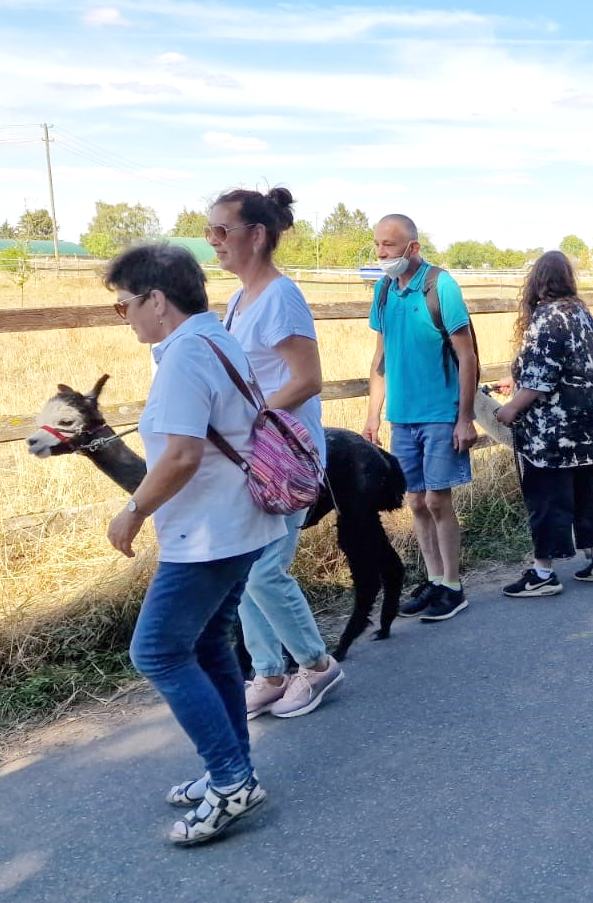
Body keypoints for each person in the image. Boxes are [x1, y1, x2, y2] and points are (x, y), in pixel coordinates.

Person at [104, 243, 283, 846]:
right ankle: (229, 770)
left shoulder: (184, 357)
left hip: (208, 532)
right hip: (235, 523)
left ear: (156, 299)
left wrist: (133, 510)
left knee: (156, 651)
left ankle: (232, 783)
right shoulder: (214, 338)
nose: (122, 315)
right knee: (209, 643)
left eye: (123, 303)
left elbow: (181, 455)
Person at [206, 187, 343, 720]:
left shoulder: (281, 297)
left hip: (285, 455)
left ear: (256, 235)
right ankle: (268, 672)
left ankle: (316, 664)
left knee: (264, 571)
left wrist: (247, 418)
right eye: (210, 231)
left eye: (223, 230)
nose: (213, 241)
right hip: (250, 452)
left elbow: (307, 380)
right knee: (243, 569)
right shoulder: (240, 298)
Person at [364, 214, 478, 622]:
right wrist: (373, 416)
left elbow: (466, 355)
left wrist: (465, 418)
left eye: (389, 245)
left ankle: (452, 585)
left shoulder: (440, 285)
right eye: (377, 244)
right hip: (402, 417)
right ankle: (433, 580)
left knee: (437, 499)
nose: (381, 253)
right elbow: (380, 359)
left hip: (440, 415)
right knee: (414, 500)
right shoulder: (382, 290)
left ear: (412, 247)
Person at [493, 250, 593, 597]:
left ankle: (543, 572)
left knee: (547, 497)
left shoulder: (545, 318)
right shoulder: (580, 312)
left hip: (553, 431)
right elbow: (566, 364)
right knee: (587, 492)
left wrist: (510, 409)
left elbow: (540, 381)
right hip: (590, 425)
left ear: (536, 281)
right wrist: (517, 378)